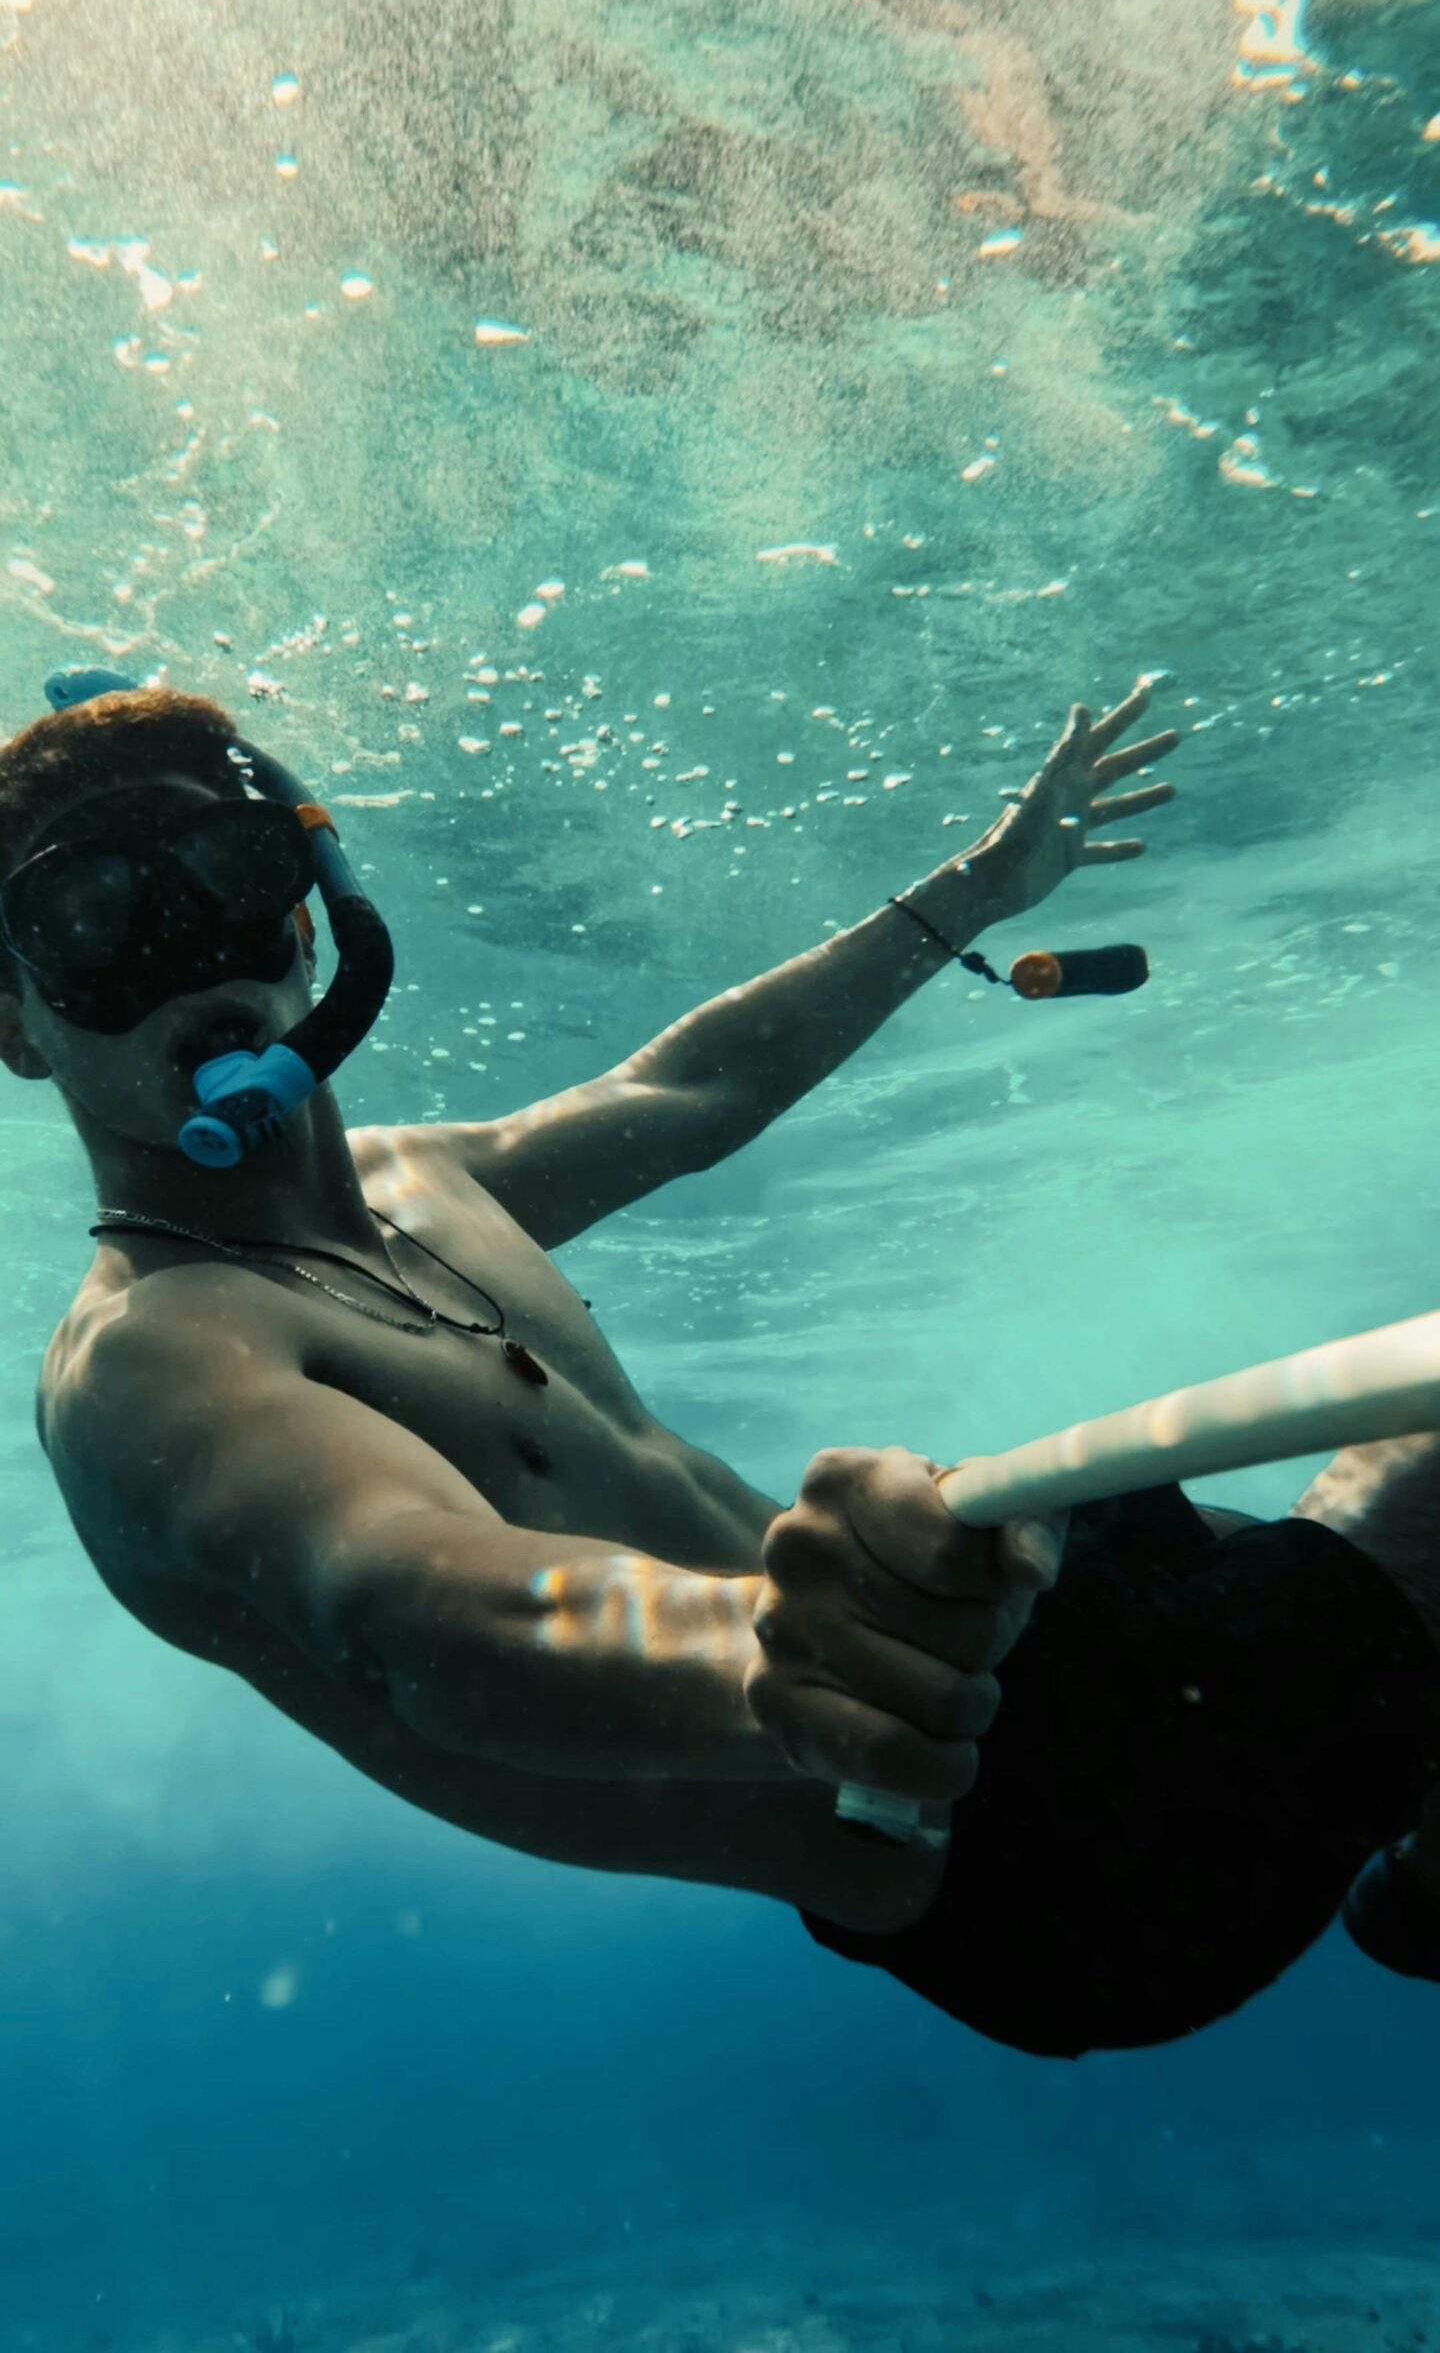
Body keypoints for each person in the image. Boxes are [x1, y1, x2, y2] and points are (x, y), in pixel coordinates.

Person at [0, 672, 1435, 2059]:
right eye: (89, 917)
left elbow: (691, 1089)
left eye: (227, 870)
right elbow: (403, 1600)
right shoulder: (153, 1357)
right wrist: (775, 1657)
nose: (183, 947)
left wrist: (979, 890)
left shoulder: (416, 1184)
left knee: (1285, 1563)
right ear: (14, 1018)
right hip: (1039, 1844)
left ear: (310, 920)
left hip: (997, 1627)